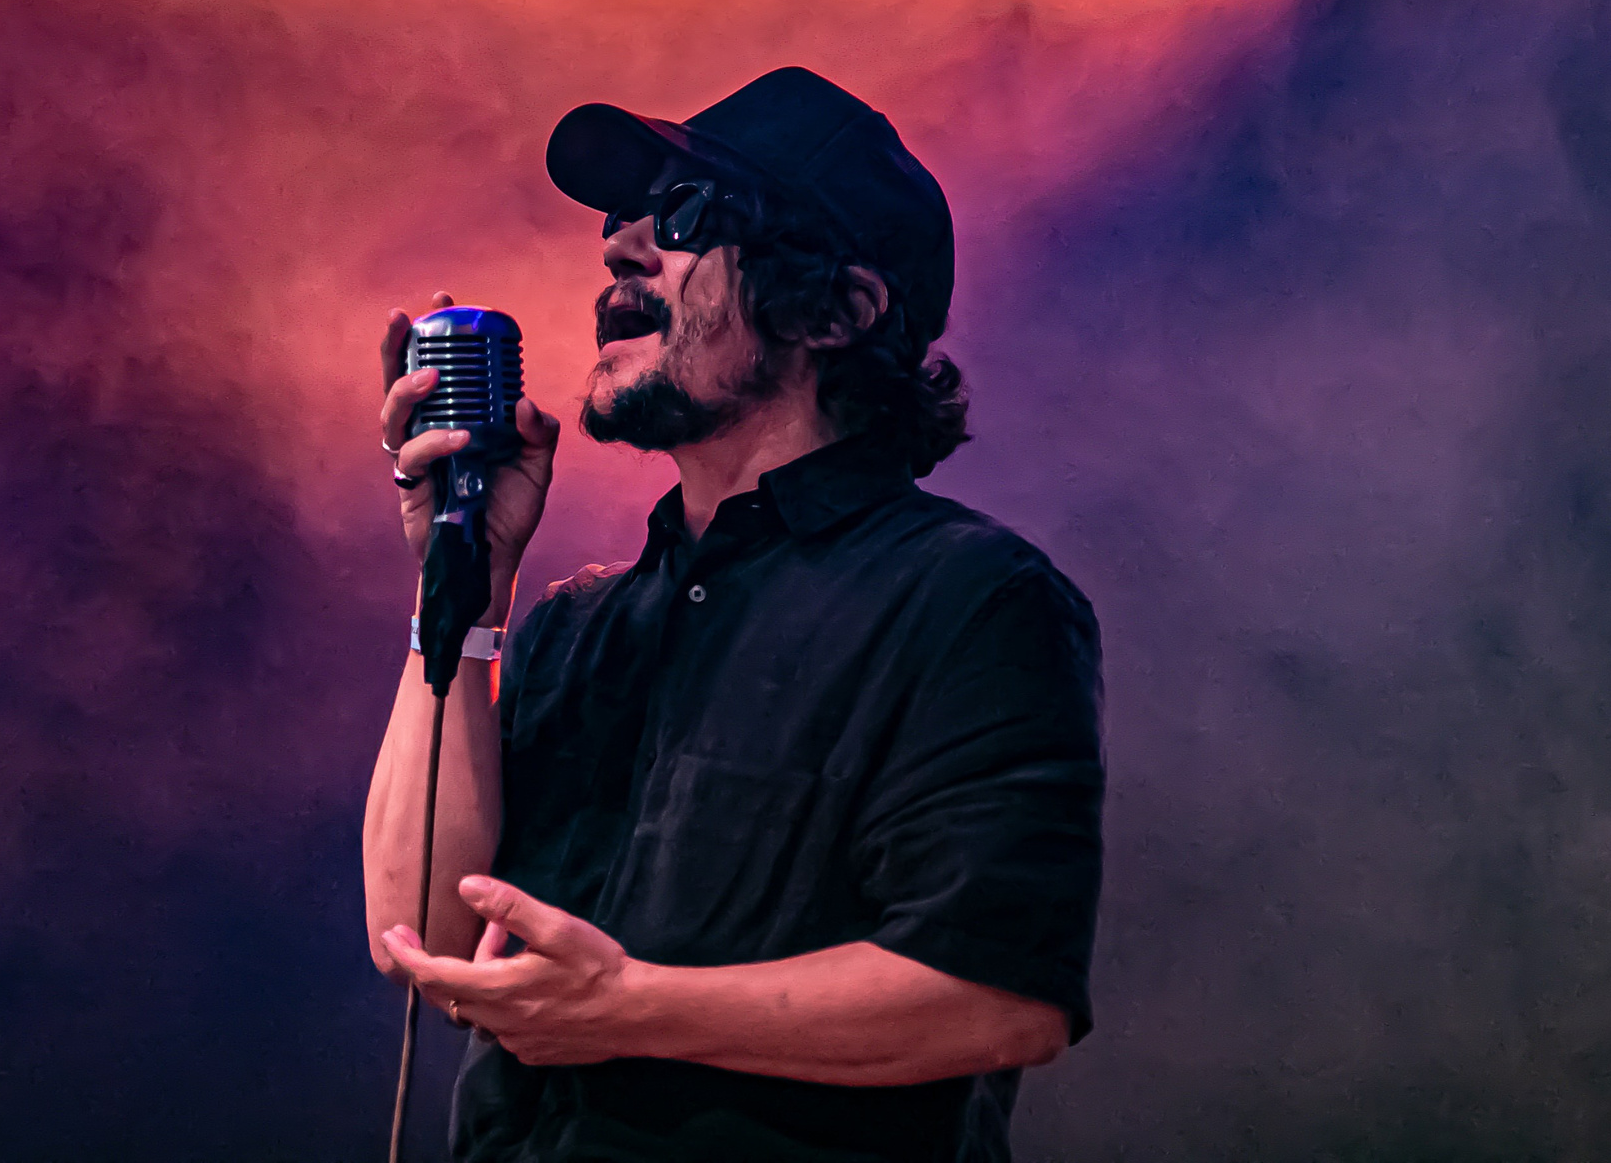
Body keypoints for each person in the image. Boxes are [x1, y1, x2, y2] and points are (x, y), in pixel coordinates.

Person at [362, 67, 1104, 1163]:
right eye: (619, 221)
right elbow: (420, 932)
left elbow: (998, 1000)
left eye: (686, 216)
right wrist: (461, 592)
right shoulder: (577, 624)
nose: (621, 250)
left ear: (839, 309)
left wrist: (631, 1009)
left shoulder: (972, 599)